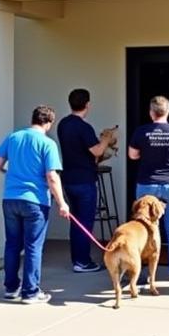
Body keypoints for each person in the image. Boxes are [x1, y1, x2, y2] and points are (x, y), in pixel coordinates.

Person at [0, 105, 71, 303]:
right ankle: (30, 292)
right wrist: (62, 203)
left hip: (10, 198)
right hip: (35, 201)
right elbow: (52, 176)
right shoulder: (48, 143)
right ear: (49, 123)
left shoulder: (14, 137)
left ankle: (11, 288)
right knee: (33, 247)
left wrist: (10, 175)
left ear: (33, 119)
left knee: (12, 244)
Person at [128, 96, 169, 285]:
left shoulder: (141, 131)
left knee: (143, 230)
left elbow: (133, 155)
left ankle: (140, 272)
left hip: (147, 185)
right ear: (168, 111)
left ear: (151, 112)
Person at [56, 88, 117, 273]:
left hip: (68, 179)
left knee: (76, 221)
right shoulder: (84, 127)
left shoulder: (63, 124)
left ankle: (77, 259)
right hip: (84, 180)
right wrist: (106, 139)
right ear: (87, 105)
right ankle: (83, 261)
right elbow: (97, 151)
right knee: (85, 222)